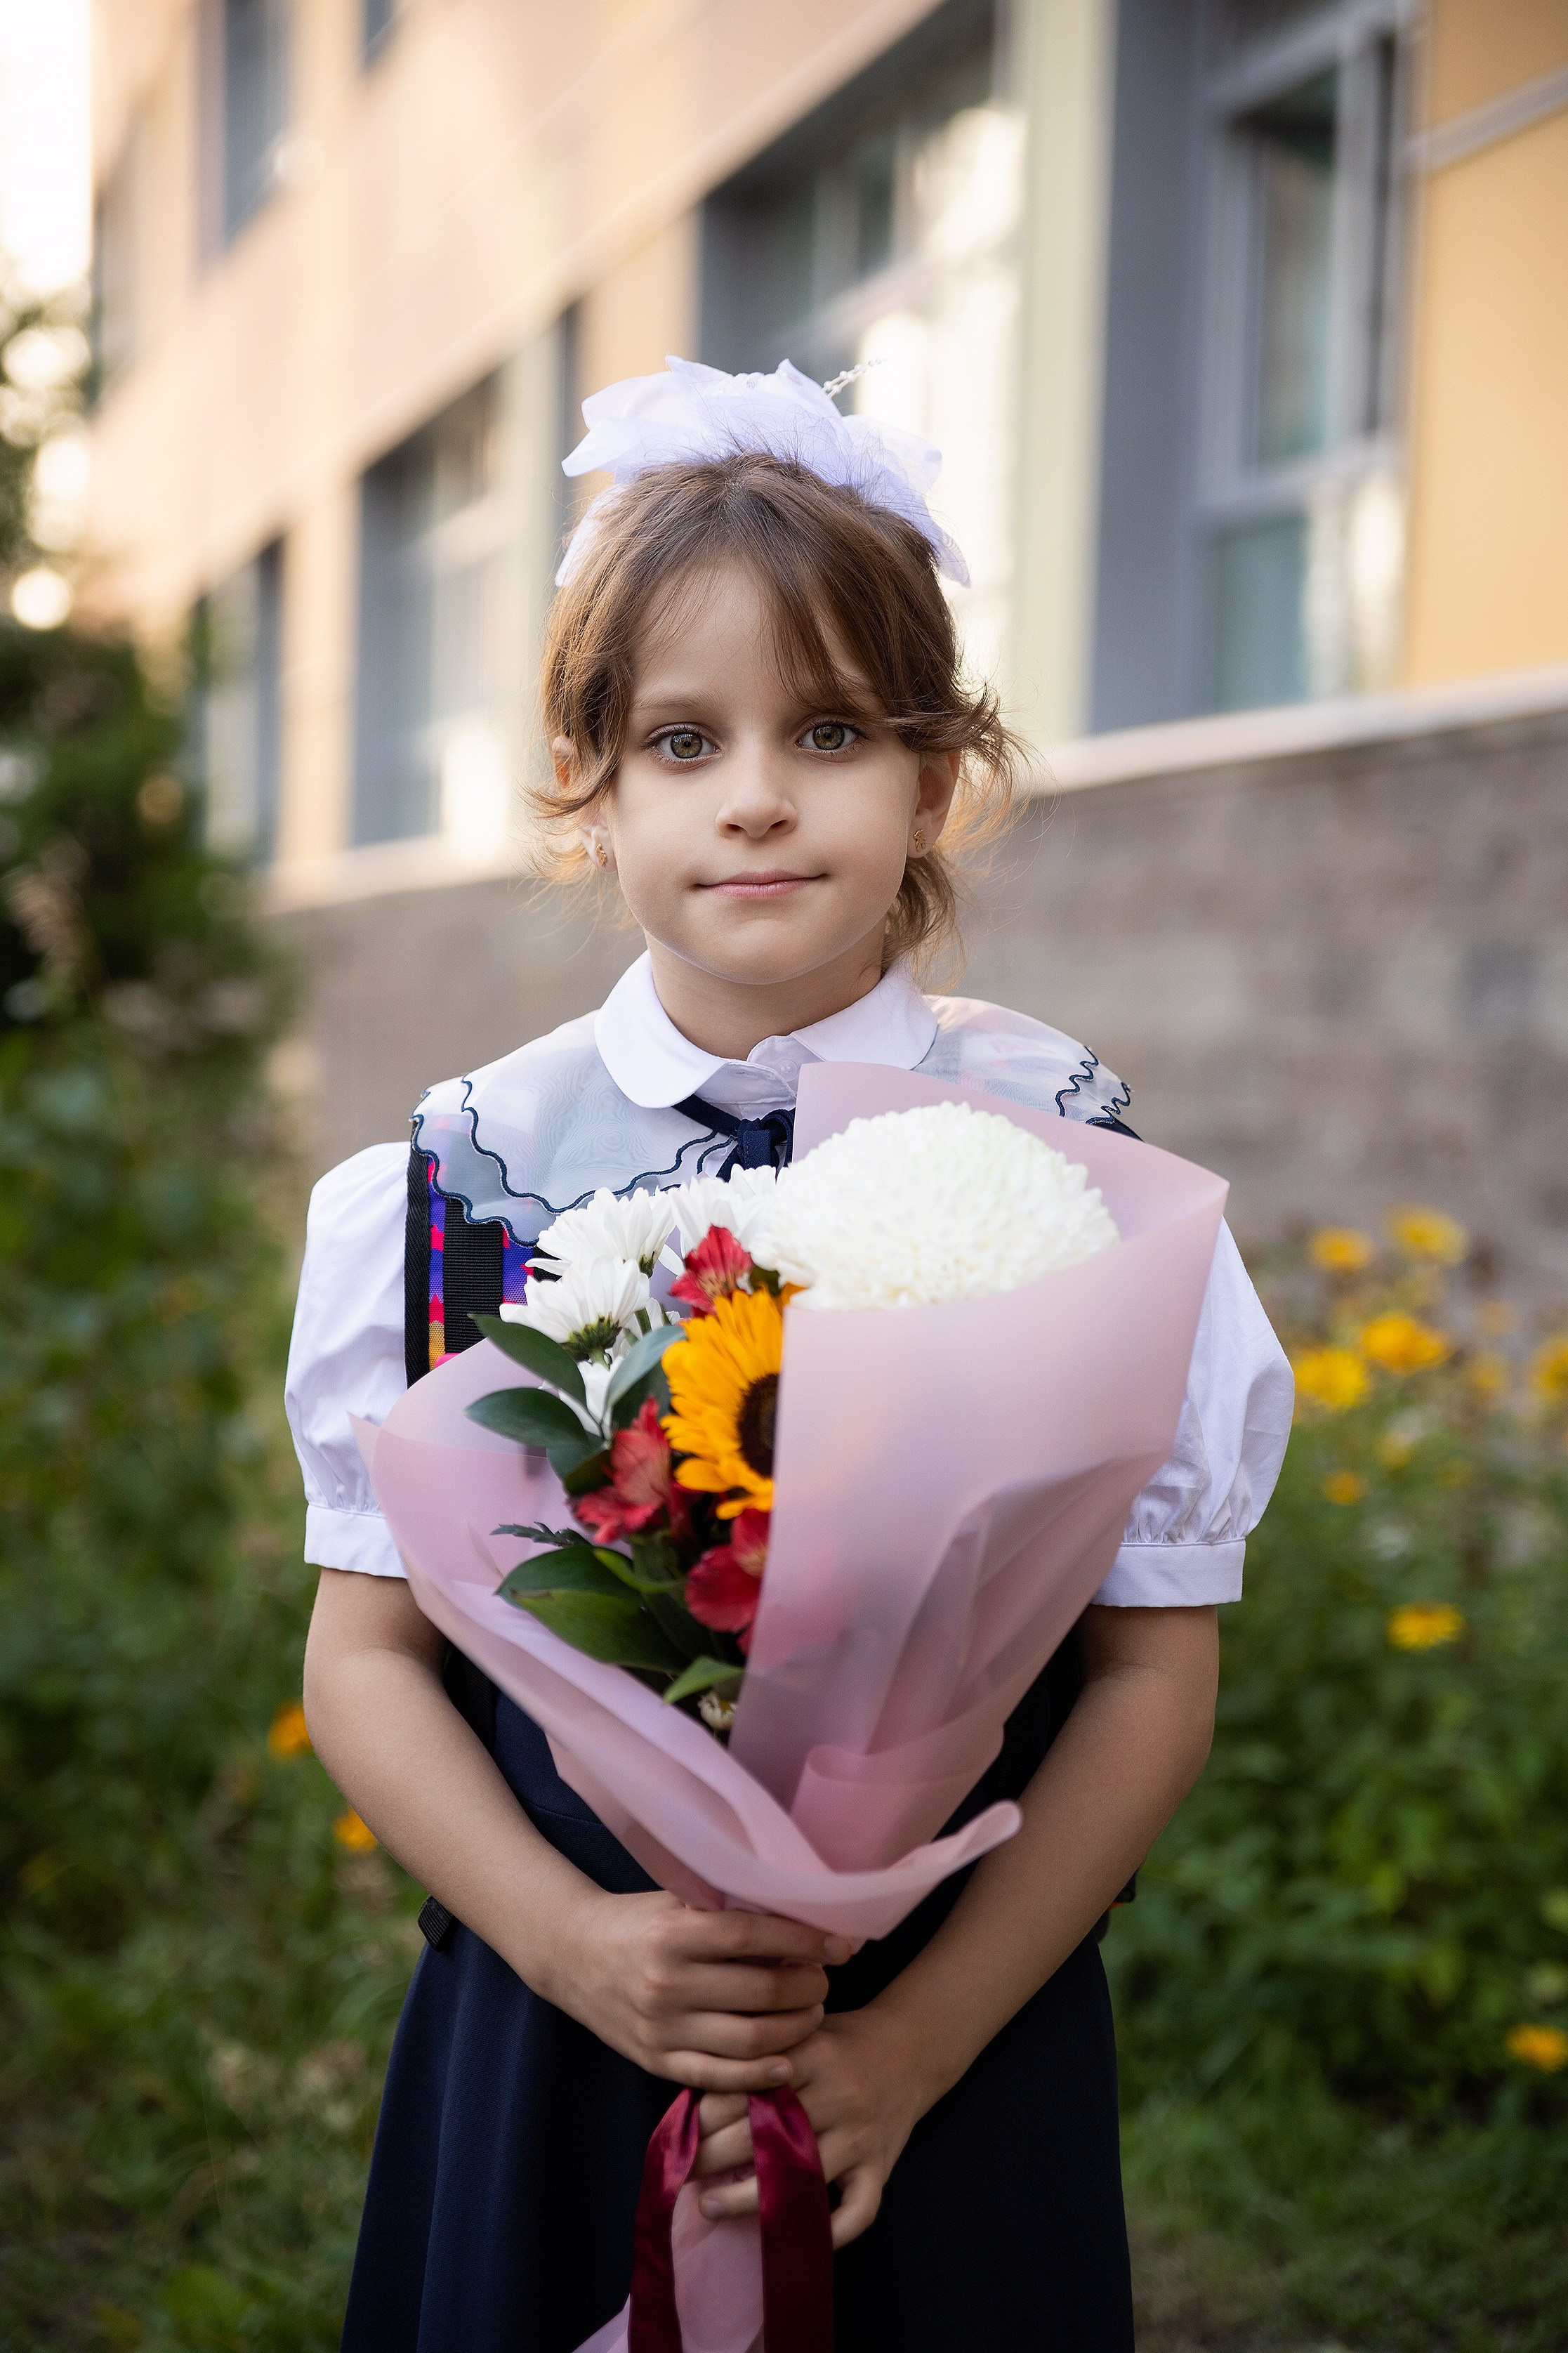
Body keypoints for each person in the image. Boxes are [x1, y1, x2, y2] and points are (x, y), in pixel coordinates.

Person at [286, 358, 1293, 2353]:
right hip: (561, 2018)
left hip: (939, 2037)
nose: (755, 791)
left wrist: (909, 2043)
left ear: (934, 776)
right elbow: (363, 1657)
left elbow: (1149, 1675)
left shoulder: (1076, 1153)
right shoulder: (451, 1176)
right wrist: (576, 1943)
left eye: (827, 728)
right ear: (590, 787)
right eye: (682, 736)